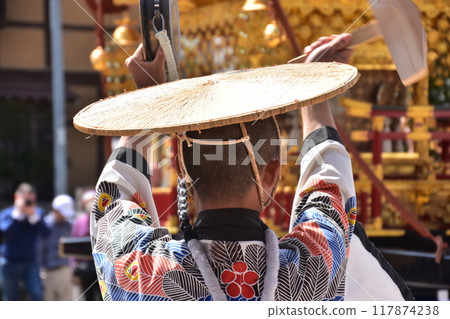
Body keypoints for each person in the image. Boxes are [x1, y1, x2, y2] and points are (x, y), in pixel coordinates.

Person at [82, 34, 412, 301]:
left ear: (182, 170)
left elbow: (113, 196)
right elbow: (329, 185)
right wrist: (316, 89)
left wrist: (148, 97)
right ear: (270, 173)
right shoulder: (312, 270)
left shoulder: (141, 271)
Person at [0, 183, 50, 301]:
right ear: (17, 197)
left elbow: (46, 233)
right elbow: (5, 233)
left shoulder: (38, 213)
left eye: (31, 200)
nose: (28, 203)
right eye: (26, 199)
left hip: (30, 262)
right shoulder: (7, 214)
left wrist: (34, 217)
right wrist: (17, 216)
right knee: (11, 298)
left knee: (37, 294)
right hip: (9, 261)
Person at [39, 194, 74, 301]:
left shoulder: (70, 226)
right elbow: (39, 250)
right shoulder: (44, 225)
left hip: (65, 271)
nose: (65, 216)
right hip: (46, 272)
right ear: (55, 210)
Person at [71, 189, 102, 301]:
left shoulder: (104, 220)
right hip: (85, 270)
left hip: (102, 269)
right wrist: (74, 268)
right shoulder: (79, 222)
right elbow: (72, 246)